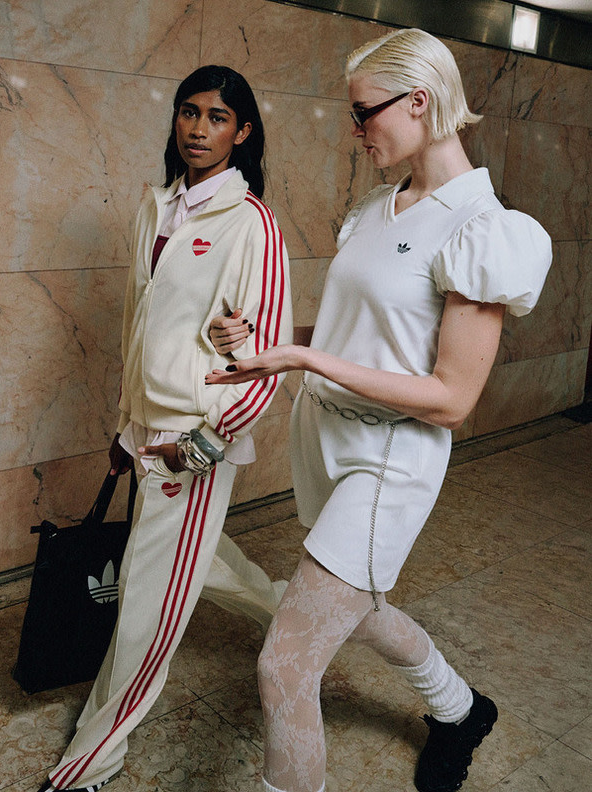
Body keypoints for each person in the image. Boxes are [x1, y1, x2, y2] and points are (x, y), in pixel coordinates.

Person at [206, 29, 552, 792]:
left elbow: (451, 398)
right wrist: (270, 339)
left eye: (364, 113)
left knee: (284, 665)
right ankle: (461, 710)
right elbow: (349, 336)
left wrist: (302, 359)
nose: (354, 129)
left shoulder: (482, 229)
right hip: (326, 436)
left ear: (419, 101)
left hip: (389, 459)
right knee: (358, 606)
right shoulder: (376, 206)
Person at [38, 65, 292, 792]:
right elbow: (137, 328)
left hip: (193, 446)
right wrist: (126, 430)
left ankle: (92, 761)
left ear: (243, 133)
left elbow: (265, 362)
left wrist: (198, 447)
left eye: (217, 118)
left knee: (148, 604)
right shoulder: (159, 207)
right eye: (188, 113)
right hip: (148, 432)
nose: (197, 129)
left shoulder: (252, 225)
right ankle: (299, 614)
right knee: (192, 565)